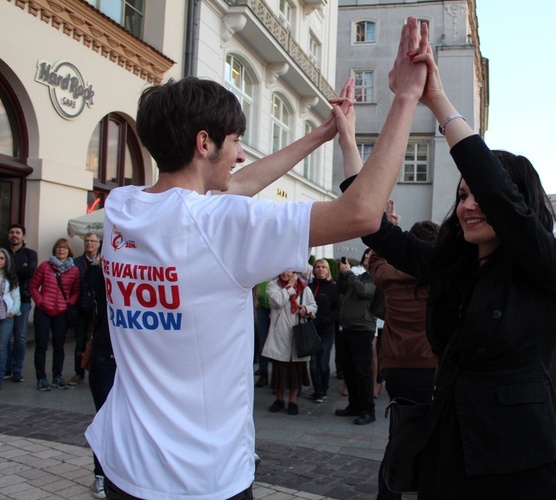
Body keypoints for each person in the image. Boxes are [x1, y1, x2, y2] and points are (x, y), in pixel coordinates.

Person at [85, 16, 428, 499]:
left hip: (125, 461)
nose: (241, 155)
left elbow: (236, 186)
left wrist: (319, 134)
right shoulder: (217, 225)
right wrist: (407, 97)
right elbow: (363, 212)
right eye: (235, 142)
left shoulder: (123, 208)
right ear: (203, 143)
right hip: (198, 477)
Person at [350, 25, 556, 496]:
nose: (469, 205)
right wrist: (351, 137)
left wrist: (438, 101)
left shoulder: (545, 267)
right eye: (461, 196)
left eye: (480, 195)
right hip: (449, 448)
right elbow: (372, 224)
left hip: (518, 459)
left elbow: (497, 191)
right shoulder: (454, 265)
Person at [369, 217, 439, 500]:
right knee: (434, 441)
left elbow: (375, 258)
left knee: (397, 438)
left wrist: (388, 228)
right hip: (432, 369)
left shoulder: (390, 277)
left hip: (397, 369)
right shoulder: (441, 278)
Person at [262, 271, 317, 415]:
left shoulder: (304, 288)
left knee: (296, 372)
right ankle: (279, 399)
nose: (286, 273)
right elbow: (277, 301)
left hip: (298, 335)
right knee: (279, 370)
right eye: (283, 270)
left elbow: (314, 306)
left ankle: (293, 401)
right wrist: (290, 286)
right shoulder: (273, 286)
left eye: (290, 270)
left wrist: (306, 310)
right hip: (280, 335)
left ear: (294, 272)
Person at [29, 237, 80, 391]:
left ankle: (57, 376)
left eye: (64, 247)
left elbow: (76, 291)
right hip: (44, 311)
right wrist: (41, 301)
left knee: (59, 346)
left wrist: (68, 303)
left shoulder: (74, 270)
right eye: (58, 247)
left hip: (62, 313)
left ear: (68, 250)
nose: (61, 250)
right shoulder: (45, 266)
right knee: (41, 345)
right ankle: (41, 378)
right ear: (54, 250)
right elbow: (33, 286)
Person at [335, 248, 378, 425]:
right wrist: (342, 275)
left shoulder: (377, 277)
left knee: (362, 372)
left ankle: (368, 410)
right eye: (366, 254)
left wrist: (349, 274)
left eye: (371, 254)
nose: (367, 256)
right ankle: (354, 405)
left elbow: (364, 291)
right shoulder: (359, 276)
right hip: (347, 327)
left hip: (362, 328)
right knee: (348, 369)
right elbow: (341, 288)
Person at [86, 255, 115, 498]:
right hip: (104, 356)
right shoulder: (97, 274)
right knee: (105, 417)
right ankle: (100, 475)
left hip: (130, 360)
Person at [4, 224, 37, 382]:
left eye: (18, 233)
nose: (14, 235)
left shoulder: (30, 254)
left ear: (23, 237)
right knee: (4, 338)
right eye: (12, 233)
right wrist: (20, 269)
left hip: (23, 300)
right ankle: (6, 368)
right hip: (4, 303)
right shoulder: (3, 252)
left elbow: (30, 272)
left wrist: (9, 268)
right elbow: (22, 271)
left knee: (20, 337)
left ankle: (17, 369)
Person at [308, 259, 341, 403]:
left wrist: (326, 320)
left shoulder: (333, 287)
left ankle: (324, 388)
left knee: (323, 361)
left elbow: (338, 308)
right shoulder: (309, 287)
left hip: (326, 330)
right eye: (318, 267)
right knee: (313, 361)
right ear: (314, 270)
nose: (320, 269)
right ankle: (318, 390)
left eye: (323, 267)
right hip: (311, 329)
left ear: (328, 270)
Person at [70, 231, 101, 385]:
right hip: (81, 307)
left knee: (97, 340)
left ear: (99, 244)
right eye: (87, 241)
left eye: (93, 241)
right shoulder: (76, 262)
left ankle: (95, 372)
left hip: (98, 309)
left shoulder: (104, 261)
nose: (89, 243)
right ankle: (78, 372)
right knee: (80, 341)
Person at [0, 248, 21, 390]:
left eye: (1, 258)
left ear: (6, 260)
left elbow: (16, 296)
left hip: (6, 316)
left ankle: (0, 376)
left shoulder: (10, 277)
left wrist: (13, 311)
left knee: (1, 347)